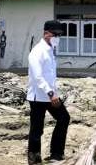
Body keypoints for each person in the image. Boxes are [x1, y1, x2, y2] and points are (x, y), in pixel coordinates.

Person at [27, 20, 70, 164]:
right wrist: (51, 94)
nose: (58, 37)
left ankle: (56, 154)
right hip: (38, 97)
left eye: (59, 35)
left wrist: (54, 92)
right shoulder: (37, 51)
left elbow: (50, 76)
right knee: (37, 128)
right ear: (46, 33)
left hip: (51, 95)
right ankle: (34, 157)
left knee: (64, 118)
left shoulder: (50, 50)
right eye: (55, 34)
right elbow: (38, 77)